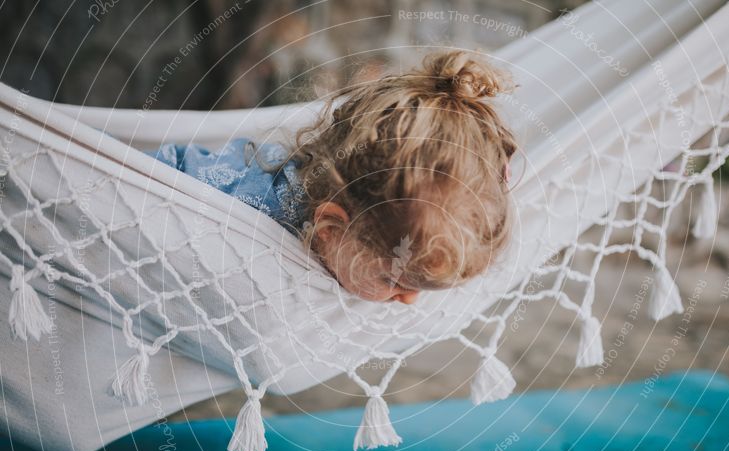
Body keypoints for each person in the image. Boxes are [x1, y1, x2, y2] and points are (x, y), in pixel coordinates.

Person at [147, 49, 518, 305]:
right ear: (329, 230)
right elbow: (147, 179)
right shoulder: (242, 203)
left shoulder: (366, 227)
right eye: (395, 281)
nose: (409, 301)